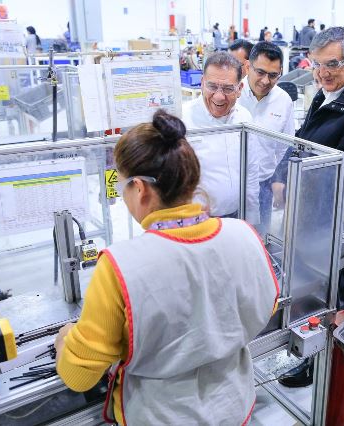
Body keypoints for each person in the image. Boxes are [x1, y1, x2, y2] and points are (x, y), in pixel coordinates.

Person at [54, 110, 278, 425]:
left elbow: (80, 376)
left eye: (122, 186)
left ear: (140, 188)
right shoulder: (244, 234)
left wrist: (66, 340)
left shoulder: (120, 266)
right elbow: (265, 307)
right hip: (233, 407)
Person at [276, 27, 344, 387]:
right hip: (313, 211)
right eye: (317, 64)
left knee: (333, 294)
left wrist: (301, 185)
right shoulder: (327, 94)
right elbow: (304, 142)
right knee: (313, 287)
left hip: (339, 216)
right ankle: (309, 353)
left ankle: (322, 367)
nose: (322, 72)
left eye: (332, 64)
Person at [181, 52, 260, 224]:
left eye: (228, 89)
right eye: (212, 86)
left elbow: (251, 171)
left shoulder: (244, 118)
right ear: (202, 83)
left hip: (236, 216)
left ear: (239, 89)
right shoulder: (182, 118)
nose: (218, 96)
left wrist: (252, 219)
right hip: (194, 220)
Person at [238, 42, 294, 234]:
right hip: (233, 184)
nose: (265, 81)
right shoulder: (233, 94)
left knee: (260, 239)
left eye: (273, 75)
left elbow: (286, 145)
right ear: (248, 66)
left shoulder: (284, 101)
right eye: (260, 72)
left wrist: (277, 177)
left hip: (264, 185)